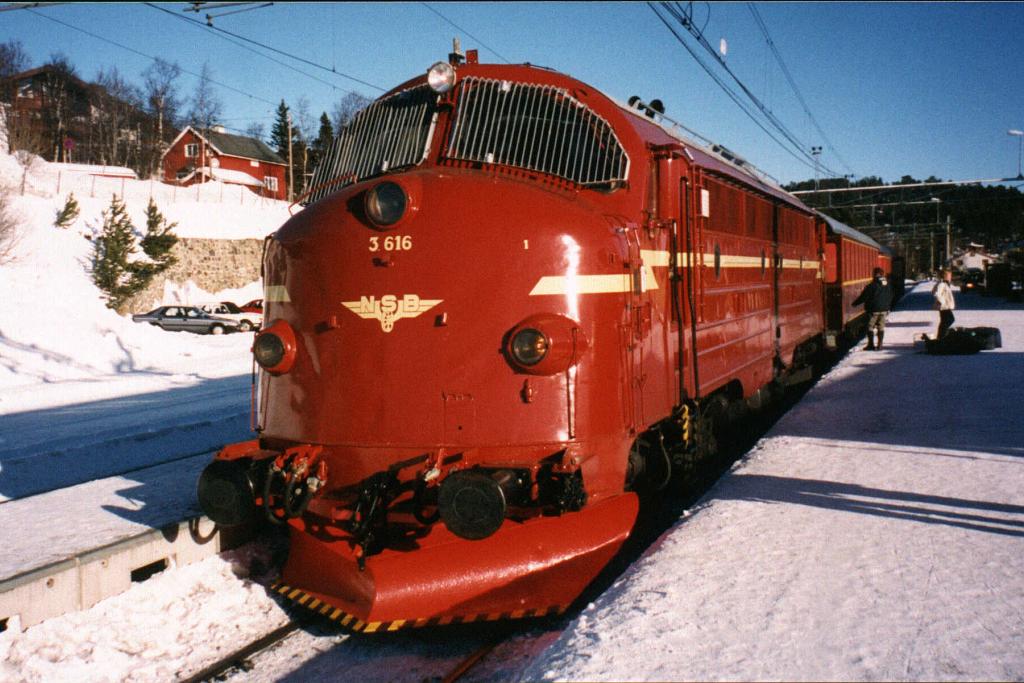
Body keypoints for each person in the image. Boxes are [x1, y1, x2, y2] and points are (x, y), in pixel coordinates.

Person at [852, 267, 893, 350]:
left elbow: (864, 297)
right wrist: (887, 306)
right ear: (882, 274)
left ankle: (871, 344)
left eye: (873, 273)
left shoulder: (872, 285)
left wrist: (855, 304)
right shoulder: (888, 285)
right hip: (884, 310)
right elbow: (891, 295)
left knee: (870, 327)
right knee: (881, 327)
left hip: (873, 310)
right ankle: (880, 345)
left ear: (875, 274)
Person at [932, 268, 956, 339]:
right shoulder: (942, 284)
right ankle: (942, 336)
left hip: (945, 306)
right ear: (945, 276)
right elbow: (936, 293)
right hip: (944, 306)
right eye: (949, 275)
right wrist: (942, 302)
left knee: (945, 321)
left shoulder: (945, 284)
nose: (950, 277)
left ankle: (942, 336)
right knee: (949, 320)